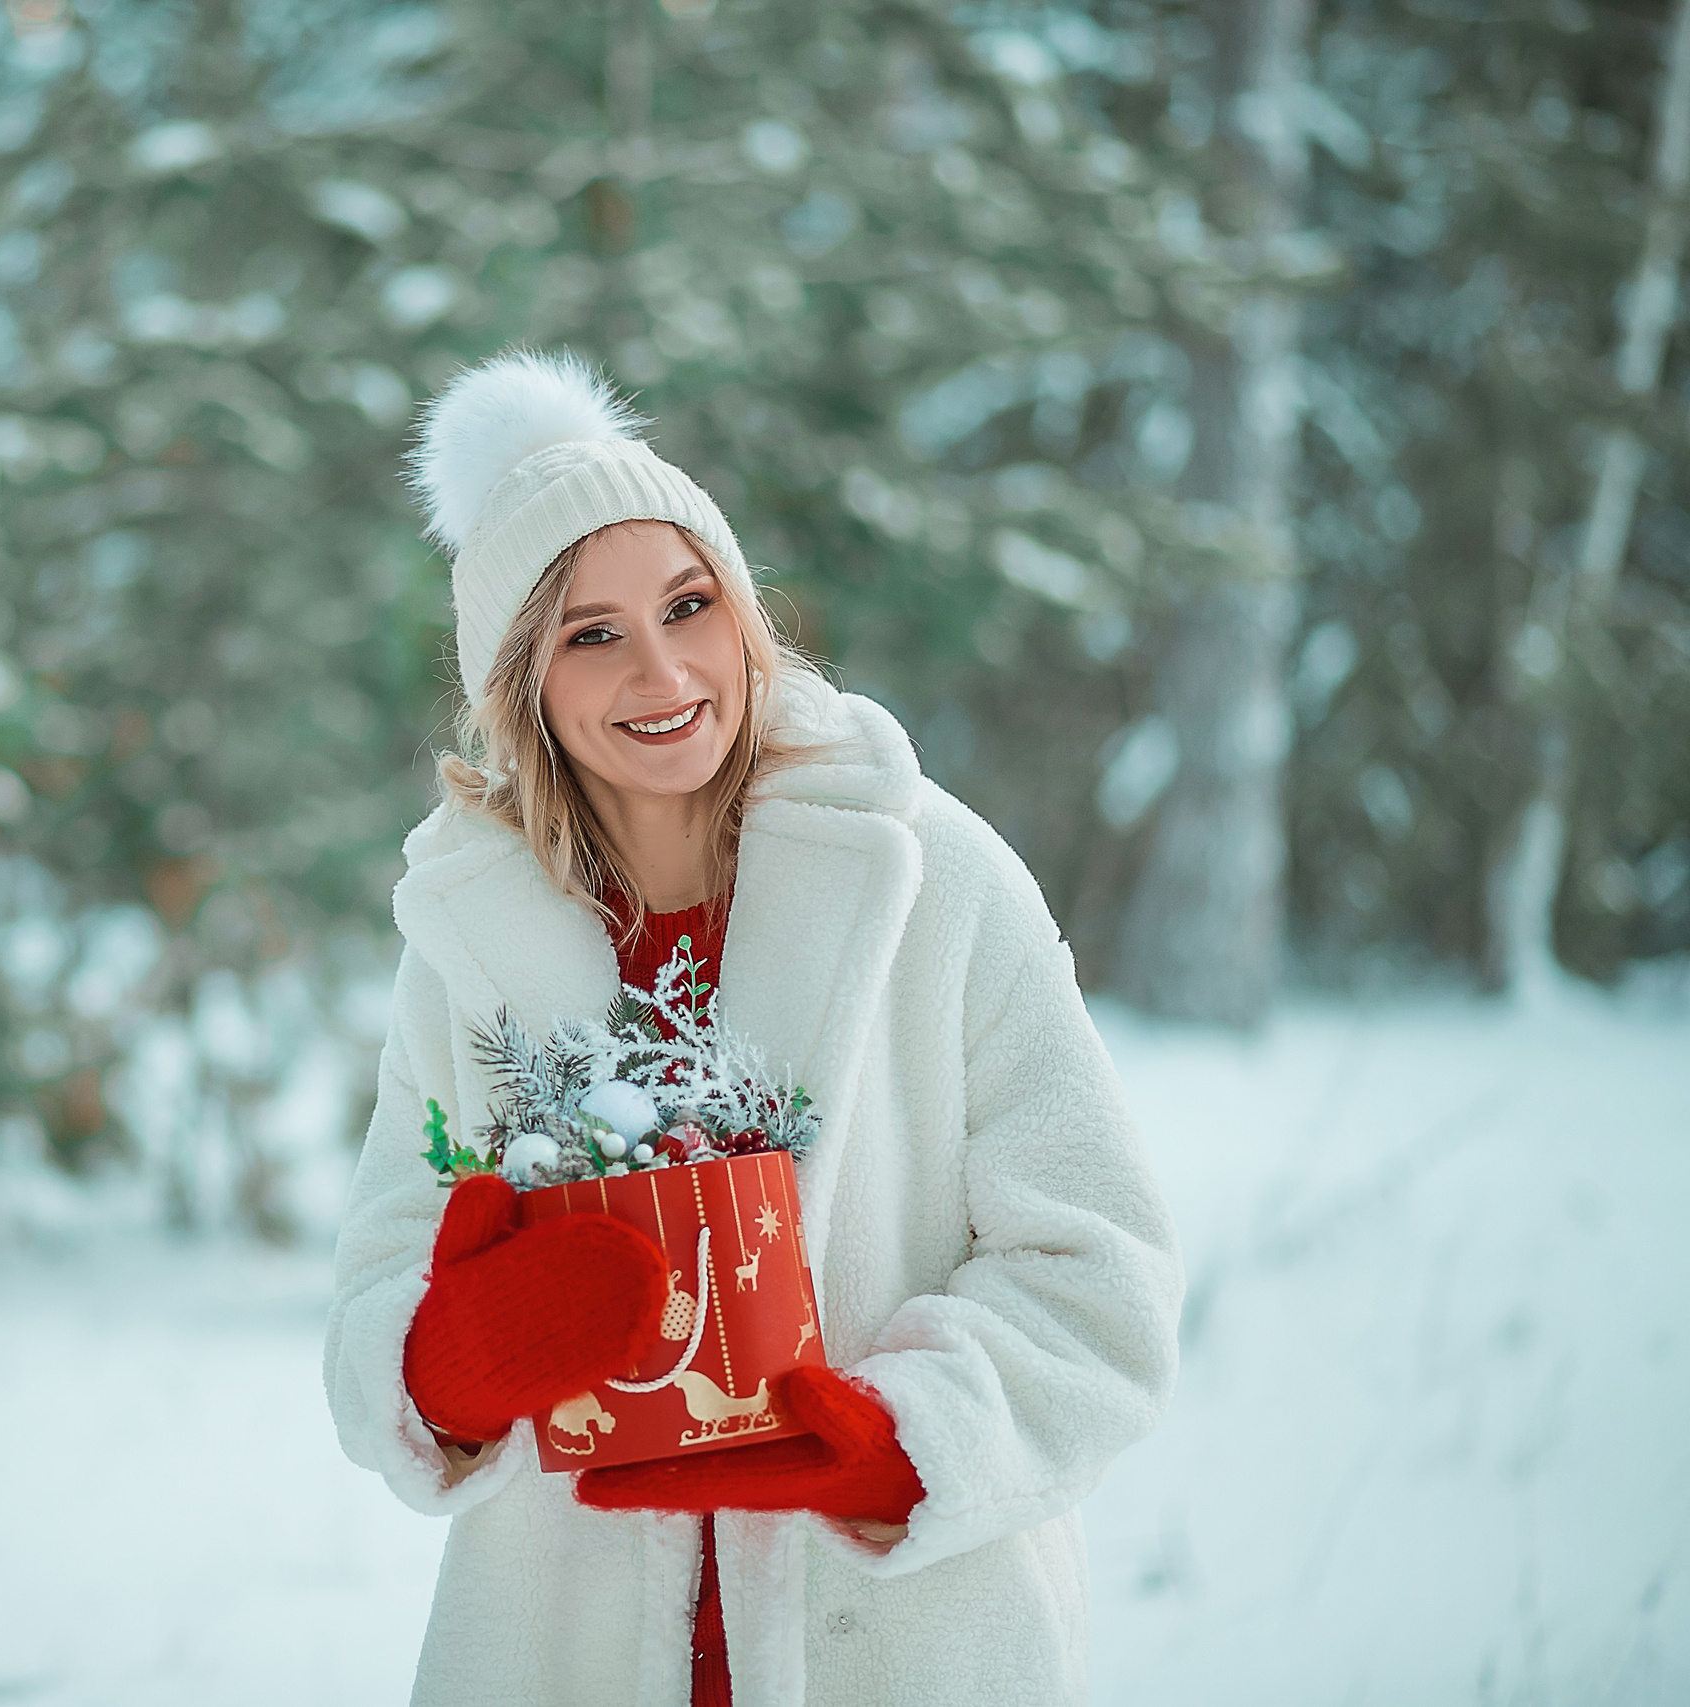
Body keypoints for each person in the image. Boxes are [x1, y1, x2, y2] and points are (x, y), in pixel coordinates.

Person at [324, 349, 1182, 1707]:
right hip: (565, 1653)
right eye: (591, 633)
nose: (664, 669)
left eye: (690, 604)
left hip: (903, 1644)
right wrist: (443, 1365)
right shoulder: (467, 941)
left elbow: (1100, 1270)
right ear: (521, 684)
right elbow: (380, 1270)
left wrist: (897, 1441)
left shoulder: (932, 878)